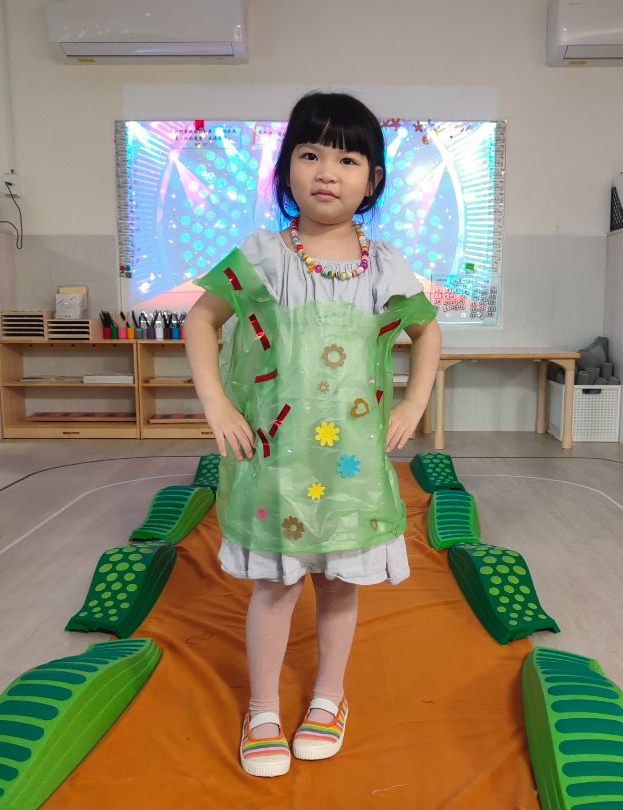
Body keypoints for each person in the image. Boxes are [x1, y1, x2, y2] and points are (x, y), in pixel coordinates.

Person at [185, 92, 442, 778]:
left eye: (348, 159)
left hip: (350, 464)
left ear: (373, 179)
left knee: (338, 582)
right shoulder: (264, 256)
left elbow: (427, 331)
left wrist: (415, 402)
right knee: (275, 585)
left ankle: (329, 697)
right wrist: (216, 403)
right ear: (286, 168)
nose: (327, 171)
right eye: (310, 153)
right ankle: (262, 709)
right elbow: (201, 319)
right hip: (277, 464)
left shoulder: (384, 266)